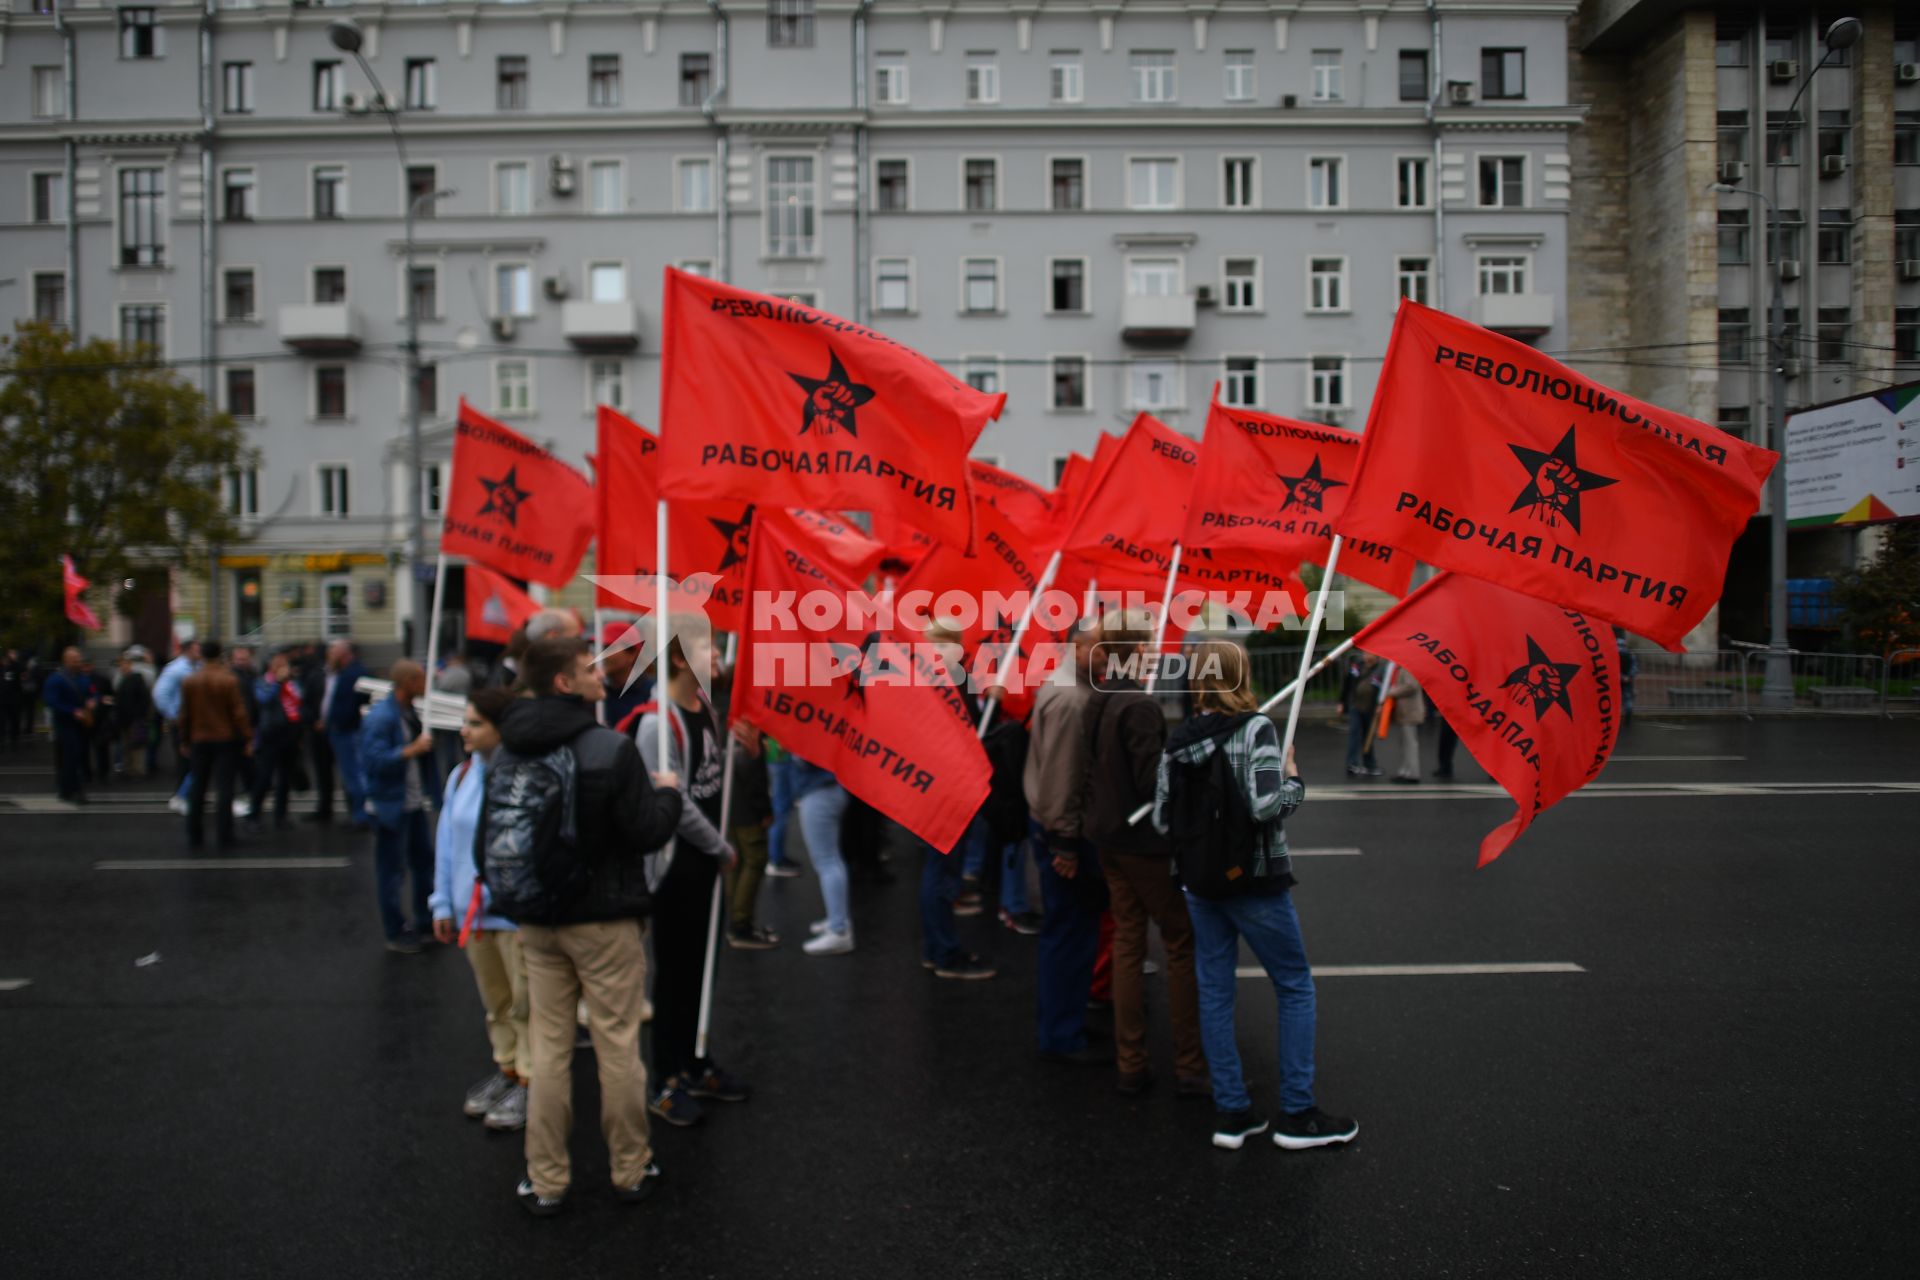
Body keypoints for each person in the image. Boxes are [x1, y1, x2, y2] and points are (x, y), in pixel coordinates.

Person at [486, 633, 682, 1216]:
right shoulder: (609, 748)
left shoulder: (508, 747)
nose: (601, 673)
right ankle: (628, 1168)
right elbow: (648, 831)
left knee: (549, 1049)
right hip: (603, 920)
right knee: (617, 1045)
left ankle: (545, 1179)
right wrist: (666, 794)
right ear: (565, 683)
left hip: (537, 918)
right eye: (587, 668)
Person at [1153, 640, 1357, 1152]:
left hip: (1199, 883)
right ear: (1241, 675)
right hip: (1254, 880)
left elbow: (1161, 817)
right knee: (1294, 986)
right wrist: (1293, 778)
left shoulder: (1179, 740)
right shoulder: (1256, 729)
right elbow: (1268, 807)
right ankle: (1297, 1113)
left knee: (1216, 991)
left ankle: (1233, 1114)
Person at [1082, 609, 1207, 1096]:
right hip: (1143, 846)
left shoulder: (1101, 694)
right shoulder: (1139, 706)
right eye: (1150, 641)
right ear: (1135, 649)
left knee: (1129, 944)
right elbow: (1156, 785)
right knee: (1180, 944)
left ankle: (1131, 1060)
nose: (1156, 648)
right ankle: (1191, 1064)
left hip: (1109, 839)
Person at [633, 630, 747, 1128]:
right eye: (708, 647)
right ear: (680, 658)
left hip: (704, 863)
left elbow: (709, 776)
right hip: (677, 865)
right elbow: (675, 805)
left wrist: (739, 746)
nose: (717, 655)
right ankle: (664, 1080)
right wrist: (720, 847)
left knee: (703, 968)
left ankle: (694, 1058)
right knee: (676, 973)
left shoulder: (705, 706)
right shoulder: (658, 724)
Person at [429, 687, 530, 1131]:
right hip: (474, 916)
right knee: (497, 1004)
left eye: (475, 723)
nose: (464, 730)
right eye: (465, 721)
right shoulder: (460, 775)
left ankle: (531, 1083)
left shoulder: (525, 776)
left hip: (514, 914)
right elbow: (446, 844)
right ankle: (507, 1070)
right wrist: (441, 902)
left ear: (501, 729)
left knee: (527, 1005)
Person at [1025, 620, 1105, 1064]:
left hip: (1056, 826)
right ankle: (1060, 1034)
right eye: (1100, 646)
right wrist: (1065, 845)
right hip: (1061, 833)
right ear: (1077, 646)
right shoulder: (1072, 698)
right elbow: (1062, 778)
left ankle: (1065, 1020)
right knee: (1068, 934)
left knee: (1074, 933)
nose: (1109, 655)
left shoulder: (1071, 685)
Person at [912, 622, 997, 980]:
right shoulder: (949, 678)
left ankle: (937, 949)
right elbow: (968, 729)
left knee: (937, 870)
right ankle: (945, 952)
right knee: (941, 871)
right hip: (948, 787)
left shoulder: (923, 676)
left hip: (929, 785)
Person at [361, 661, 439, 953]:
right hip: (390, 805)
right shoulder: (382, 717)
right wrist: (411, 750)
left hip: (412, 803)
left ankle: (425, 920)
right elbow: (373, 761)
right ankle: (395, 932)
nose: (426, 685)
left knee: (423, 863)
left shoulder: (408, 713)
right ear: (407, 682)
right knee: (392, 871)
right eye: (421, 679)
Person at [178, 641, 251, 849]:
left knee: (198, 788)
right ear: (220, 654)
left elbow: (184, 714)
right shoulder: (228, 680)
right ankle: (224, 834)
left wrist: (184, 739)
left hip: (199, 739)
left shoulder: (191, 680)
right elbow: (238, 713)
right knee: (224, 788)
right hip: (224, 739)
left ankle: (194, 833)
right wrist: (247, 737)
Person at [723, 720, 779, 950]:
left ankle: (738, 920)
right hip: (746, 811)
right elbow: (749, 763)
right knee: (754, 861)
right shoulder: (745, 720)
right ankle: (740, 924)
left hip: (733, 807)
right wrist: (764, 809)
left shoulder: (722, 710)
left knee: (739, 862)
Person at [790, 755, 853, 955]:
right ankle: (838, 920)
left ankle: (839, 929)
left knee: (827, 861)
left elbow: (804, 758)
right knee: (831, 859)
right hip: (828, 789)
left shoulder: (811, 728)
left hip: (820, 791)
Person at [248, 652, 306, 830]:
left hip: (289, 734)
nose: (282, 666)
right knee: (265, 777)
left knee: (285, 778)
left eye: (284, 663)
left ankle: (281, 815)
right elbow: (263, 699)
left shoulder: (292, 683)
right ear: (270, 665)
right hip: (270, 735)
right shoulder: (263, 682)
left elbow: (300, 699)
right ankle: (254, 815)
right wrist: (278, 683)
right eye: (278, 663)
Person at [319, 640, 372, 828]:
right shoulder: (345, 672)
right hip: (342, 730)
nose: (330, 656)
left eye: (333, 653)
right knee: (351, 774)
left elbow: (351, 705)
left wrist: (340, 723)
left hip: (347, 731)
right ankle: (358, 813)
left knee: (354, 774)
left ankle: (361, 815)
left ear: (343, 654)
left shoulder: (353, 673)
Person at [41, 647, 97, 804]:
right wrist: (72, 711)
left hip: (82, 723)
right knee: (69, 758)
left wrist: (93, 699)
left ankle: (66, 789)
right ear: (66, 660)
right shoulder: (56, 679)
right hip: (65, 724)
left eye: (79, 659)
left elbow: (92, 691)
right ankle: (73, 790)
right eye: (75, 659)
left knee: (79, 756)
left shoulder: (83, 677)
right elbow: (51, 702)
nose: (78, 662)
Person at [153, 640, 201, 812]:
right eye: (197, 649)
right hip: (182, 723)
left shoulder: (195, 667)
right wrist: (173, 716)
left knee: (193, 760)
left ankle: (189, 795)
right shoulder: (176, 669)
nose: (200, 652)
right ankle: (180, 797)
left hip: (194, 722)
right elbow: (160, 694)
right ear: (188, 651)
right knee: (185, 761)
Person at [1336, 652, 1384, 778]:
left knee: (1368, 737)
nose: (1367, 657)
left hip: (1371, 708)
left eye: (1370, 654)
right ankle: (1352, 764)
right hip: (1355, 705)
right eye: (1365, 654)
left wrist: (1381, 705)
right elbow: (1347, 683)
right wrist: (1342, 702)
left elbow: (1384, 688)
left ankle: (1370, 764)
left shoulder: (1381, 670)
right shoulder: (1356, 666)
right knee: (1354, 734)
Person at [761, 735, 802, 878]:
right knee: (781, 808)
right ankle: (775, 860)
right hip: (781, 754)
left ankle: (777, 856)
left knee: (782, 806)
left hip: (778, 753)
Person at [1384, 665, 1427, 785]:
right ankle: (1405, 771)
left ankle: (1412, 773)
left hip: (1410, 711)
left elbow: (1411, 686)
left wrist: (1392, 692)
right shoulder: (1402, 668)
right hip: (1406, 711)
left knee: (1410, 743)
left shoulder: (1407, 667)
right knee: (1405, 743)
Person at [112, 652, 153, 779]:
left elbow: (144, 699)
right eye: (120, 666)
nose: (122, 668)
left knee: (136, 745)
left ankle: (137, 769)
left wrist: (140, 715)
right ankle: (129, 768)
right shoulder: (122, 680)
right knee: (127, 745)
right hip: (124, 719)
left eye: (124, 665)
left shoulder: (136, 679)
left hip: (134, 718)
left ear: (130, 665)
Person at [0, 649, 25, 749]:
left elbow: (21, 670)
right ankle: (2, 740)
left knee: (14, 719)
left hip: (14, 698)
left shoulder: (14, 667)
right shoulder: (2, 668)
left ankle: (14, 740)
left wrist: (14, 661)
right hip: (2, 699)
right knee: (2, 721)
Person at [1431, 712, 1460, 781]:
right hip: (1449, 714)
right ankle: (1444, 766)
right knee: (1445, 741)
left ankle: (1446, 767)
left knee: (1448, 740)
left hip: (1454, 714)